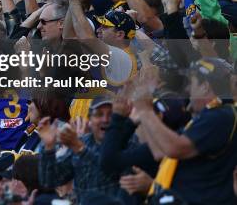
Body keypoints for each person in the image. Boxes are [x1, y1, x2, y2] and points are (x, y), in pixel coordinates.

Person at [136, 58, 236, 205]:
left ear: (205, 87)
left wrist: (146, 111)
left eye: (192, 83)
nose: (188, 89)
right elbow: (160, 151)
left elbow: (174, 148)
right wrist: (143, 111)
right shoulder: (209, 115)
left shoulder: (221, 116)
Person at [38, 96, 121, 201]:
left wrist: (80, 148)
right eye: (99, 114)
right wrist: (48, 148)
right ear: (89, 120)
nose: (105, 119)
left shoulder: (128, 141)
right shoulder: (82, 141)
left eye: (111, 114)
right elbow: (49, 182)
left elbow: (111, 173)